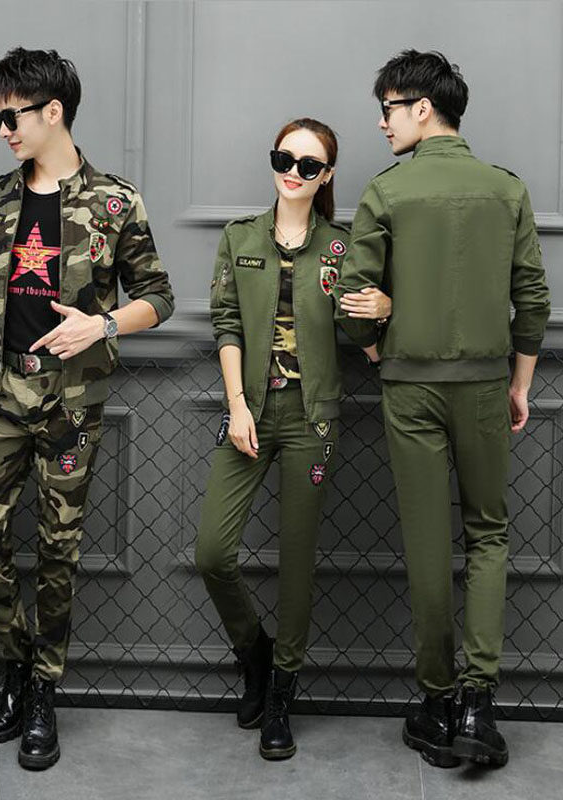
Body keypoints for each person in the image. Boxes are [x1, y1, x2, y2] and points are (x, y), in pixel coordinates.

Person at [334, 50, 551, 769]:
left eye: (389, 108)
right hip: (487, 382)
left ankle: (435, 701)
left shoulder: (387, 191)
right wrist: (519, 385)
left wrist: (379, 343)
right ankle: (478, 705)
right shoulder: (506, 189)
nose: (382, 122)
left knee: (428, 540)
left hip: (410, 386)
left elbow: (353, 306)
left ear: (422, 107)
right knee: (488, 533)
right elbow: (533, 301)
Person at [0, 48, 175, 770]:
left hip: (71, 406)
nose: (3, 130)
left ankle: (42, 691)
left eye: (12, 116)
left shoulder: (115, 201)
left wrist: (104, 324)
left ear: (53, 112)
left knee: (58, 550)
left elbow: (159, 296)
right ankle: (17, 665)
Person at [195, 118, 391, 761]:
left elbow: (364, 336)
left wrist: (384, 312)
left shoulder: (342, 246)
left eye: (310, 165)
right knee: (213, 552)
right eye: (285, 159)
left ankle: (281, 693)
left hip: (313, 418)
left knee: (297, 564)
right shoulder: (240, 238)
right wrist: (237, 405)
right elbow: (226, 323)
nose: (294, 173)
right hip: (251, 411)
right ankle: (254, 652)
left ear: (326, 175)